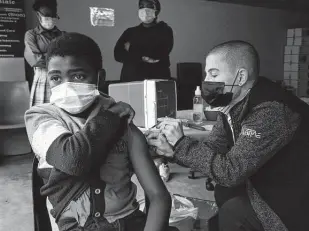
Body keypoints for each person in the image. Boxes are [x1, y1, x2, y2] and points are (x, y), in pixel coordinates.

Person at [146, 40, 309, 231]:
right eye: (206, 74)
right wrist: (172, 151)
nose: (206, 80)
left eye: (214, 74)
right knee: (224, 193)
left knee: (233, 209)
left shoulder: (271, 111)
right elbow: (212, 149)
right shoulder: (232, 104)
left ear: (240, 77)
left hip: (293, 198)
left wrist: (182, 144)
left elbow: (231, 172)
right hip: (262, 178)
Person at [25, 32, 176, 231]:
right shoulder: (40, 117)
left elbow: (159, 197)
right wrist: (109, 117)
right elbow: (72, 160)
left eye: (78, 75)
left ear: (99, 77)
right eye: (55, 78)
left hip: (128, 221)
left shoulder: (124, 124)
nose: (66, 86)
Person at [114, 0, 173, 82]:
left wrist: (131, 48)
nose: (145, 10)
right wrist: (143, 57)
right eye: (141, 6)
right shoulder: (130, 32)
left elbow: (158, 53)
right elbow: (117, 55)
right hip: (130, 79)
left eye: (149, 6)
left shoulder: (164, 30)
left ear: (157, 10)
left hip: (156, 79)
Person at [24, 0, 64, 107]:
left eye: (53, 16)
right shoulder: (31, 35)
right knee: (42, 113)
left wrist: (46, 55)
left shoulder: (63, 35)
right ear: (38, 15)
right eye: (47, 16)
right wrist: (58, 57)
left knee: (61, 112)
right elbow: (36, 60)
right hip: (42, 78)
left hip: (61, 80)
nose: (50, 19)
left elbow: (69, 57)